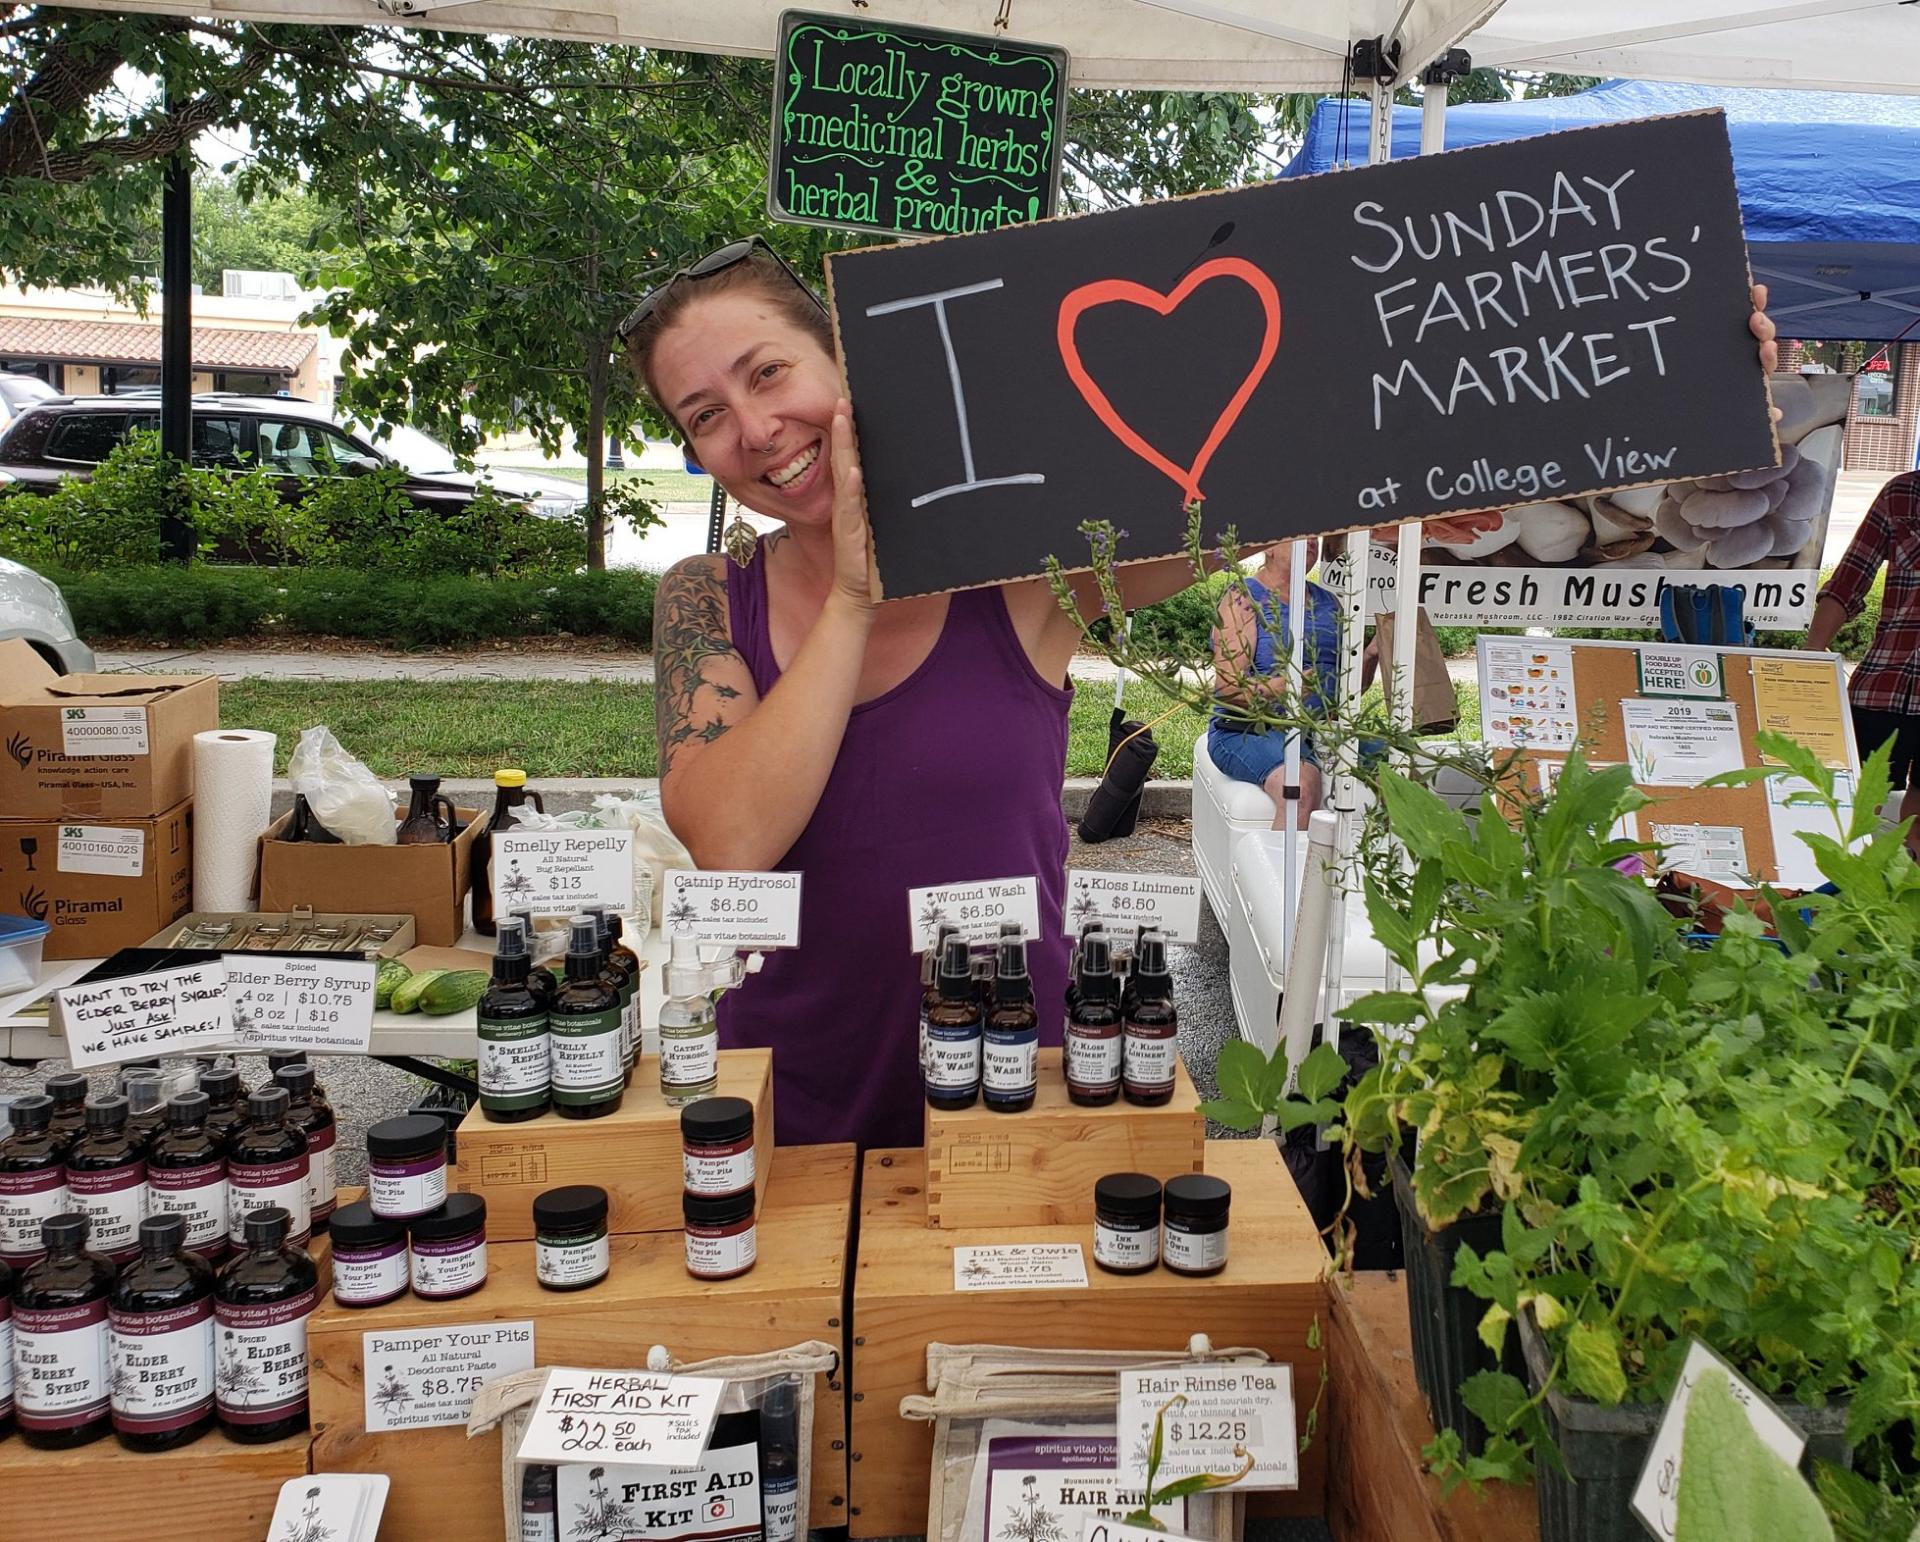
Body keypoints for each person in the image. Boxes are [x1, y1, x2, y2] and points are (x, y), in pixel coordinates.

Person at [619, 238, 1784, 1150]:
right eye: (703, 416)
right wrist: (859, 598)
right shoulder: (702, 598)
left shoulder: (1021, 573)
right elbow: (731, 831)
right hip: (780, 1095)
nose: (755, 429)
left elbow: (1285, 477)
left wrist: (1675, 364)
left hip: (1015, 1077)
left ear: (843, 365)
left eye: (767, 372)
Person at [1803, 464, 1920, 856]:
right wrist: (1811, 655)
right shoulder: (1902, 493)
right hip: (1882, 688)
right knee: (1852, 822)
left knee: (1916, 833)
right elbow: (1850, 578)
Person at [1207, 536, 1362, 828]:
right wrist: (1284, 688)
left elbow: (1351, 690)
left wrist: (1374, 652)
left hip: (1322, 731)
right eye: (1299, 536)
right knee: (1299, 789)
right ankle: (1282, 873)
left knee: (1399, 768)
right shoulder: (1242, 599)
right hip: (1247, 732)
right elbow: (1227, 689)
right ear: (1268, 546)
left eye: (1314, 535)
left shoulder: (1331, 603)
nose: (1312, 542)